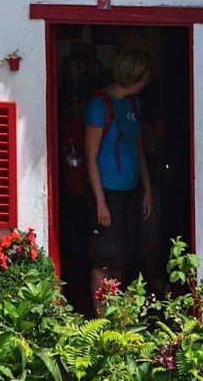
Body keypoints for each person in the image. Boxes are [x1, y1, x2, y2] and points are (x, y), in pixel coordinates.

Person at [84, 47, 152, 311]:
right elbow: (90, 157)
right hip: (107, 191)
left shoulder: (133, 103)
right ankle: (102, 324)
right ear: (133, 76)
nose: (146, 83)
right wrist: (100, 202)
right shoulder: (99, 105)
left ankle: (117, 316)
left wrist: (146, 189)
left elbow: (138, 148)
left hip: (131, 190)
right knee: (103, 259)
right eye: (143, 78)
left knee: (123, 255)